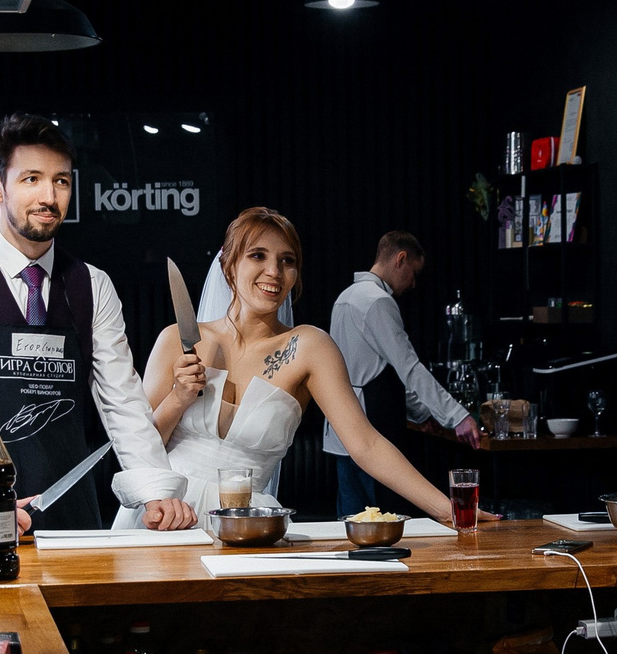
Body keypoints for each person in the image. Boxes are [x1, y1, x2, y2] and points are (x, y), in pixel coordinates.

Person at [0, 114, 197, 536]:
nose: (48, 196)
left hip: (71, 515)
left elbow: (123, 403)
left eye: (61, 181)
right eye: (31, 179)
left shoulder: (93, 285)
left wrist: (156, 490)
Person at [144, 209, 471, 525]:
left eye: (287, 260)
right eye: (258, 255)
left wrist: (450, 510)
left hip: (248, 527)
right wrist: (177, 399)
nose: (274, 270)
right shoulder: (176, 340)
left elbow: (367, 445)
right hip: (165, 514)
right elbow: (137, 446)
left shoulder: (310, 347)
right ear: (228, 264)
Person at [323, 230, 479, 516]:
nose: (413, 283)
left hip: (340, 427)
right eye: (413, 273)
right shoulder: (378, 300)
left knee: (351, 522)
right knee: (381, 521)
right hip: (372, 427)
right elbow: (409, 368)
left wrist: (423, 413)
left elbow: (376, 370)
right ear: (401, 259)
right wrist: (457, 416)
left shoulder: (345, 297)